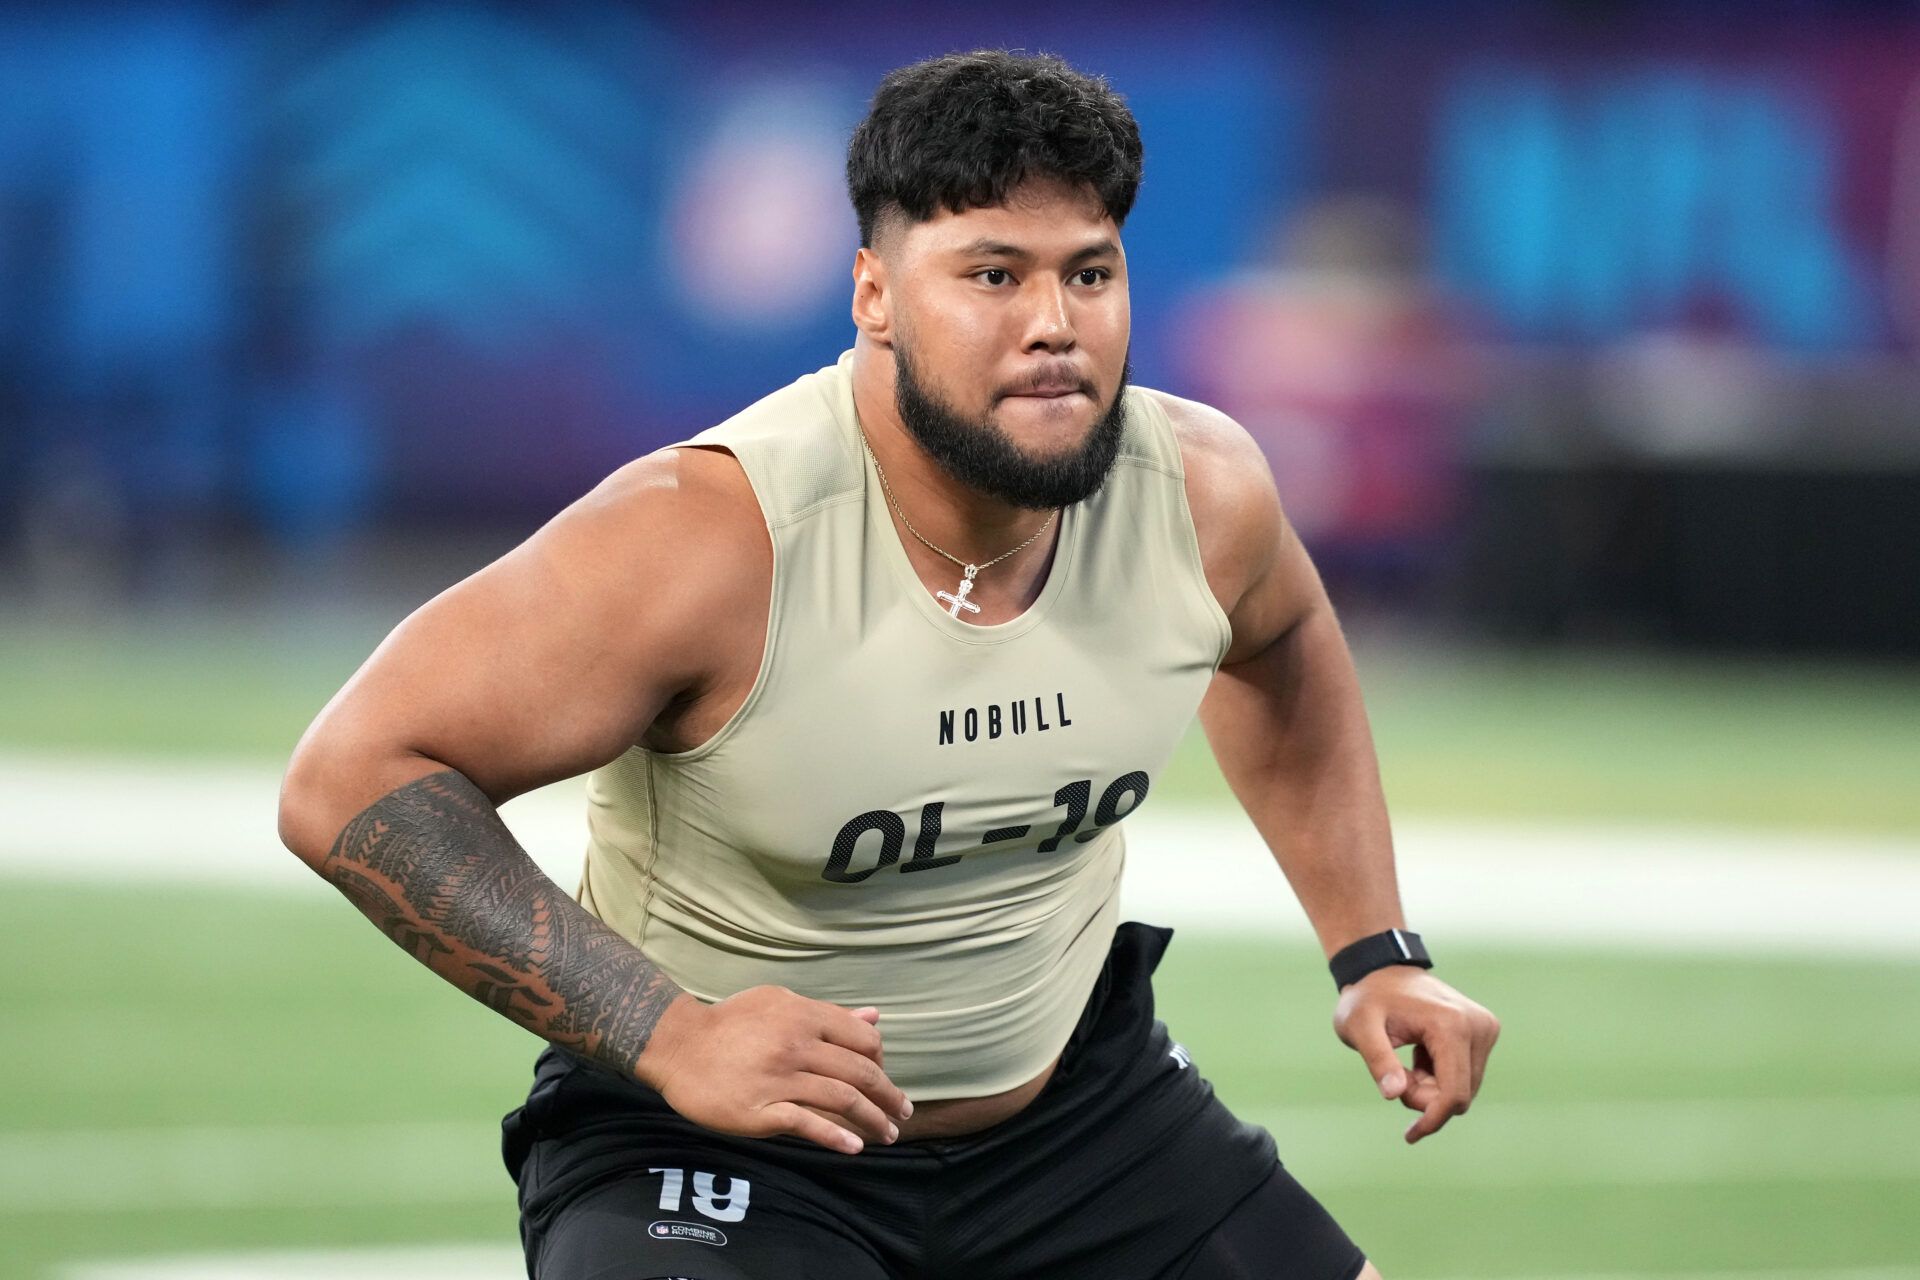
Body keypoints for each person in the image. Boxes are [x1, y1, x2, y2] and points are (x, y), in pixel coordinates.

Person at [278, 49, 1500, 1280]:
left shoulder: (1198, 489)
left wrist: (1374, 952)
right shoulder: (711, 535)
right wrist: (666, 1031)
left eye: (1090, 272)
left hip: (1083, 1123)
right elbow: (351, 775)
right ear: (874, 293)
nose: (1054, 326)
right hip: (716, 1145)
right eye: (991, 275)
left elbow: (1282, 643)